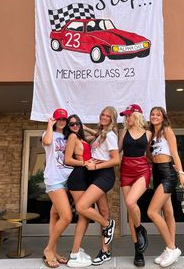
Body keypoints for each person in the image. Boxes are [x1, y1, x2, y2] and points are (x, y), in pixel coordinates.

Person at [75, 106, 120, 265]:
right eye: (102, 114)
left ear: (112, 119)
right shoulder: (101, 134)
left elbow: (116, 160)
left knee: (81, 207)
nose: (104, 117)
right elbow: (97, 135)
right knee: (104, 210)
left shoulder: (111, 136)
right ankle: (105, 251)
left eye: (107, 116)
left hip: (103, 175)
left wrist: (96, 167)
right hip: (94, 175)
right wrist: (84, 127)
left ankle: (108, 225)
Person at [147, 107, 184, 268]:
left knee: (152, 212)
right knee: (168, 212)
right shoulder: (151, 134)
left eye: (158, 114)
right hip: (157, 172)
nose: (155, 116)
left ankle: (172, 248)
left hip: (167, 173)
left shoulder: (167, 130)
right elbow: (150, 155)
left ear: (163, 117)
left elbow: (175, 153)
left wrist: (181, 174)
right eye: (153, 114)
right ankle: (169, 248)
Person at [119, 104, 151, 267]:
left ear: (137, 116)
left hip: (142, 170)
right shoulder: (123, 132)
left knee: (131, 202)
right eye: (125, 116)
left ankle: (139, 230)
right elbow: (115, 150)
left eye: (129, 115)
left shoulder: (148, 133)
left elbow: (153, 152)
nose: (127, 118)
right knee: (131, 210)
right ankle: (138, 252)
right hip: (125, 171)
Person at [42, 108, 72, 268]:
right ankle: (48, 250)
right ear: (54, 119)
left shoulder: (68, 136)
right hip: (54, 180)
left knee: (55, 215)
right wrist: (49, 124)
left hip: (67, 180)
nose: (61, 121)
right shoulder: (48, 134)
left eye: (64, 119)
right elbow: (47, 142)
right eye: (58, 119)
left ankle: (54, 251)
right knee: (66, 217)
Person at [64, 114, 92, 267]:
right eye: (71, 124)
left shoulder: (81, 138)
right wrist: (84, 162)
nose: (74, 126)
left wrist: (85, 127)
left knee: (85, 215)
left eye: (77, 123)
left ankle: (76, 250)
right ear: (68, 127)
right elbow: (67, 159)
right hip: (78, 177)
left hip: (85, 176)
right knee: (84, 213)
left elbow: (98, 135)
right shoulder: (72, 138)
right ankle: (74, 254)